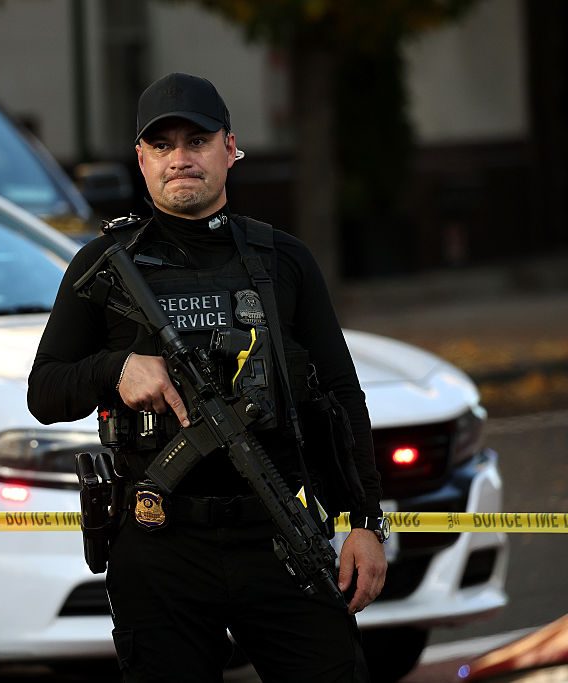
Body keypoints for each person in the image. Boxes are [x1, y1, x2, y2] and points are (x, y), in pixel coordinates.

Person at [27, 72, 387, 682]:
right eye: (162, 145)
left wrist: (366, 522)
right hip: (159, 543)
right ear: (141, 160)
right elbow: (45, 392)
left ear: (230, 148)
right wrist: (116, 369)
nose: (180, 159)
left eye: (196, 141)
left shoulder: (283, 260)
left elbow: (341, 394)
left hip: (277, 532)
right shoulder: (104, 266)